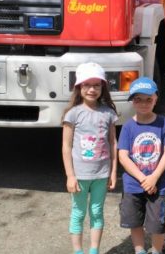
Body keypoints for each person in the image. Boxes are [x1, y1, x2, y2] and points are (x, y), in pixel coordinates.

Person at [62, 62, 119, 254]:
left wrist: (113, 172)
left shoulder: (109, 113)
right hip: (79, 176)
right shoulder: (73, 114)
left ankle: (94, 250)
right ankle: (78, 251)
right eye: (87, 85)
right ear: (79, 87)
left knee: (96, 212)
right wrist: (70, 175)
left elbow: (113, 144)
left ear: (103, 87)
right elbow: (66, 146)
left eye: (97, 85)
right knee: (78, 213)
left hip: (101, 175)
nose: (92, 89)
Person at [118, 77, 165, 254]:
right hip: (134, 184)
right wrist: (144, 178)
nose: (143, 103)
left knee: (157, 223)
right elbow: (123, 156)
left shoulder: (163, 123)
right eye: (138, 99)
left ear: (156, 99)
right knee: (134, 221)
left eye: (148, 99)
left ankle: (156, 250)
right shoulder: (128, 127)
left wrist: (154, 177)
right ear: (132, 102)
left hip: (158, 184)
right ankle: (140, 250)